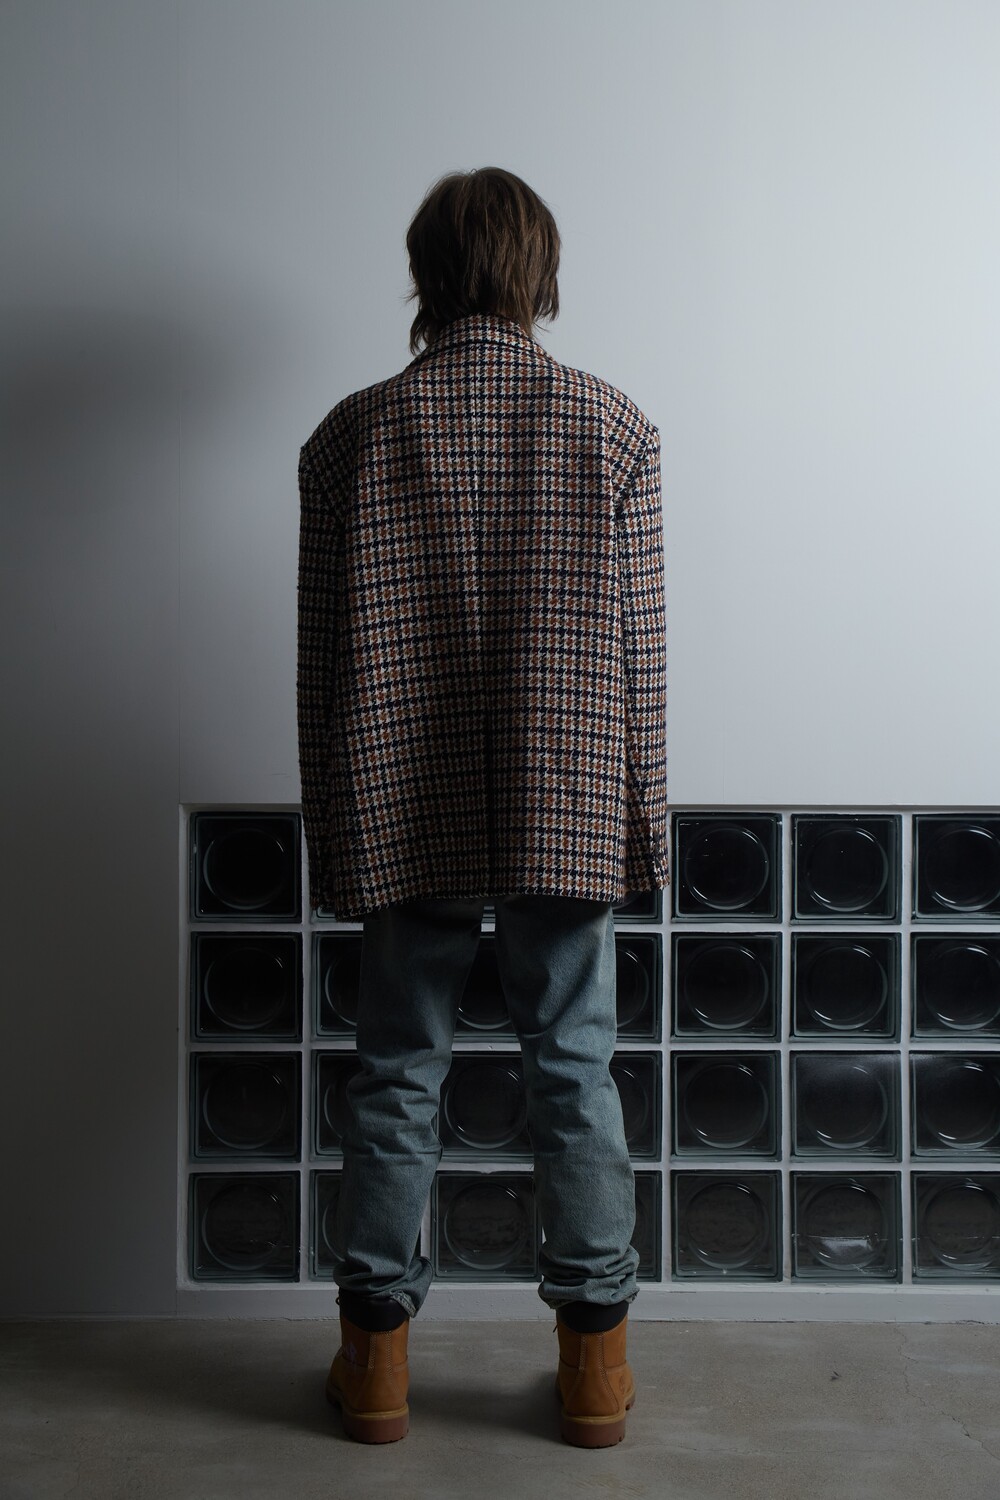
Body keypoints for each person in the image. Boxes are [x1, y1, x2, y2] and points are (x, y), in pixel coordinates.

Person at [296, 166, 668, 1447]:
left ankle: (376, 1367)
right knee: (574, 1067)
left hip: (404, 790)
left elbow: (323, 661)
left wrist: (334, 825)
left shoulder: (349, 436)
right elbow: (640, 656)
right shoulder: (614, 426)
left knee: (397, 1072)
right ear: (537, 273)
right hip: (567, 786)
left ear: (426, 271)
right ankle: (594, 1370)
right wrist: (642, 821)